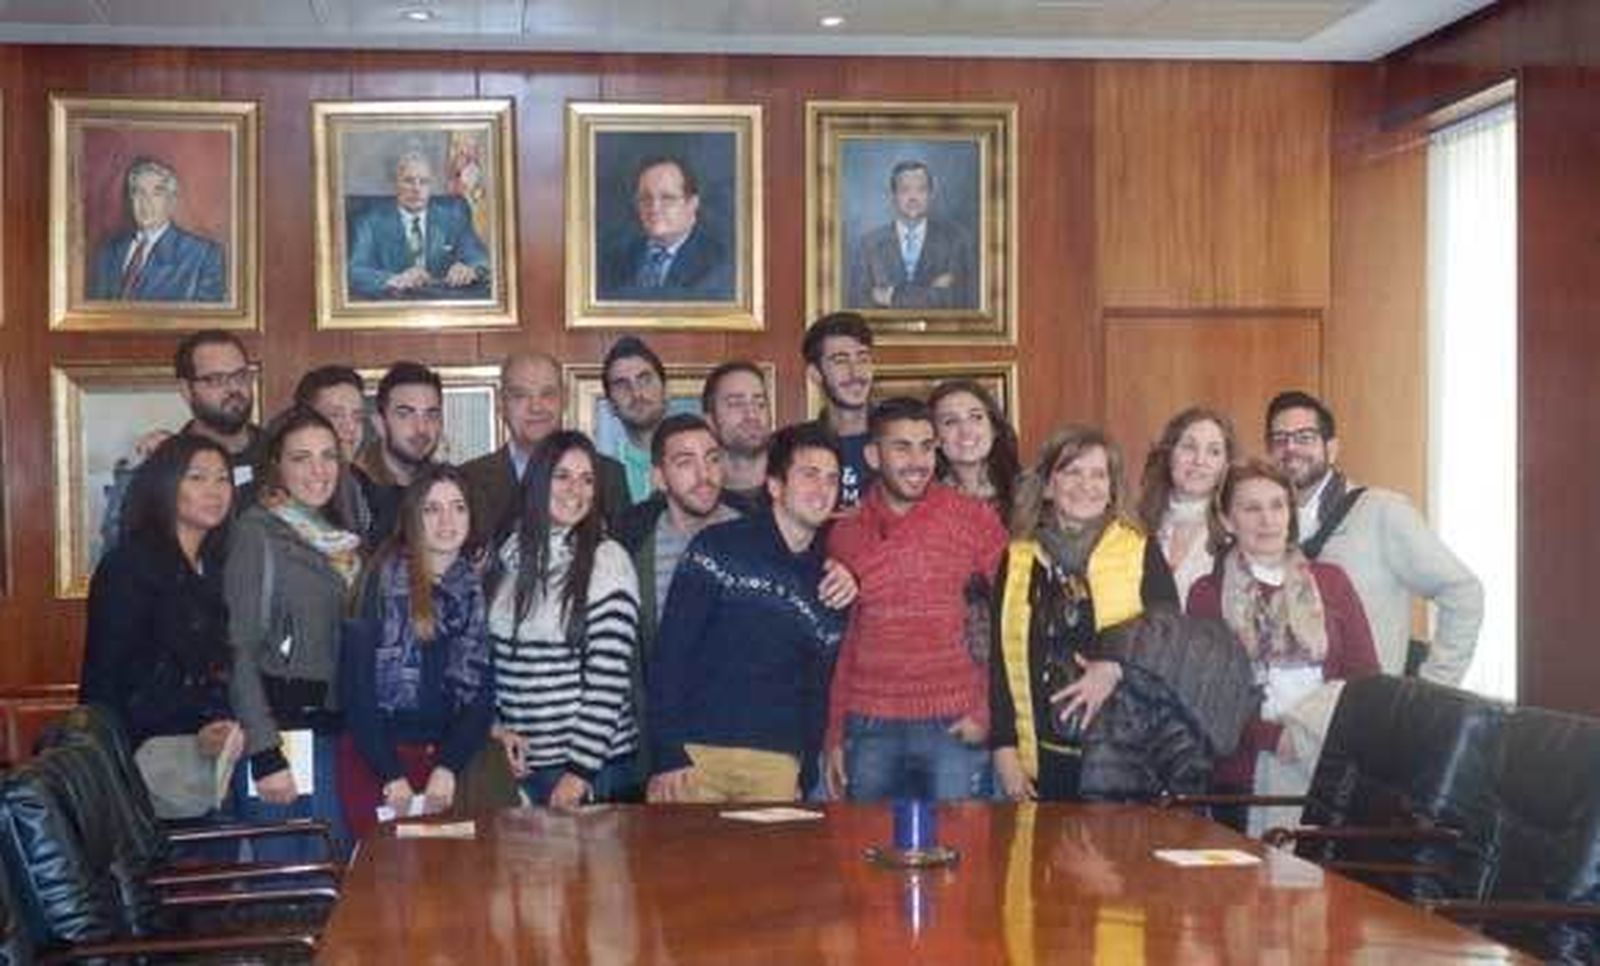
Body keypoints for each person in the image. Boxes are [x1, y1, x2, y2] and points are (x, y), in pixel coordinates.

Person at [646, 424, 849, 803]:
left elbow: (816, 689)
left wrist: (802, 773)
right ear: (775, 485)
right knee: (679, 864)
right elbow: (670, 656)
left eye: (832, 479)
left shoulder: (831, 583)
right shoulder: (718, 546)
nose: (822, 489)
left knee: (769, 865)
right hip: (695, 758)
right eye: (809, 475)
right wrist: (667, 752)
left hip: (775, 766)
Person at [824, 397, 1008, 802]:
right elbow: (846, 641)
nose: (918, 460)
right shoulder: (846, 531)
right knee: (865, 857)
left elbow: (1009, 620)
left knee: (961, 859)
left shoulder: (974, 519)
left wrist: (987, 710)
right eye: (902, 447)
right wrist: (835, 732)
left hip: (954, 722)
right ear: (873, 455)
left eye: (927, 446)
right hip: (869, 725)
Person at [989, 425, 1181, 802]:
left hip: (1123, 755)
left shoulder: (1140, 550)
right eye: (1072, 472)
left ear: (1112, 488)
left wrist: (1113, 668)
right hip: (1040, 757)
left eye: (1098, 474)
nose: (1085, 485)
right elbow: (1000, 661)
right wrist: (1004, 749)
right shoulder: (1017, 558)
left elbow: (1169, 637)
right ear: (1047, 485)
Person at [1187, 459, 1380, 834]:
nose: (1268, 520)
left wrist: (1315, 739)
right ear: (1227, 521)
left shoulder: (1332, 581)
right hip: (1246, 772)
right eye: (1251, 508)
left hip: (1329, 764)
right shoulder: (1206, 594)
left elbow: (1365, 680)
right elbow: (1206, 698)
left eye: (1278, 506)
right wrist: (1275, 738)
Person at [1265, 390, 1482, 684]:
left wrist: (1432, 689)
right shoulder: (1264, 527)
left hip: (1362, 714)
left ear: (1332, 448)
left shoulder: (1382, 511)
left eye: (1305, 437)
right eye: (1280, 439)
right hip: (1286, 716)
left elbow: (1463, 592)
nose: (1290, 448)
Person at [225, 407, 363, 859]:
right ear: (276, 466)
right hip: (282, 734)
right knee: (290, 887)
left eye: (328, 456)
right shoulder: (257, 533)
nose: (318, 470)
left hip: (334, 733)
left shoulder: (339, 538)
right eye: (301, 458)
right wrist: (265, 753)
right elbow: (238, 649)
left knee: (337, 879)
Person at [81, 435, 240, 816]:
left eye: (223, 479)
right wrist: (195, 727)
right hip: (147, 760)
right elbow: (107, 680)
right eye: (197, 478)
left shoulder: (217, 567)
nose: (214, 491)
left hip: (212, 753)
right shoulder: (130, 567)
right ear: (166, 485)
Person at [338, 465, 493, 841]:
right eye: (431, 509)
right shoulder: (380, 579)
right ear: (412, 517)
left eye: (458, 507)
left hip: (441, 766)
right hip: (376, 763)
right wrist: (392, 775)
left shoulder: (471, 587)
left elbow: (483, 694)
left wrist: (447, 767)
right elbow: (357, 694)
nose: (446, 520)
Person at [487, 431, 641, 807]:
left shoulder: (607, 560)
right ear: (538, 481)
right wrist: (497, 729)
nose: (577, 489)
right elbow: (495, 668)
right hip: (523, 771)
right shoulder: (508, 556)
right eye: (563, 476)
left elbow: (609, 682)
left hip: (592, 772)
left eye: (587, 479)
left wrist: (578, 775)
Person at [99, 329, 263, 555]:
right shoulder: (159, 462)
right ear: (187, 390)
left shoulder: (283, 456)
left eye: (240, 376)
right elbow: (122, 554)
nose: (233, 389)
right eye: (216, 380)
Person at [460, 351, 629, 551]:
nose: (536, 407)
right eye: (520, 396)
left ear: (564, 399)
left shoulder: (608, 475)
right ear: (501, 404)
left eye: (547, 394)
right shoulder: (468, 481)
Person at [346, 150, 491, 301]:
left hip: (442, 302)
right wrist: (396, 279)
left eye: (424, 182)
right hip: (395, 304)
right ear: (396, 184)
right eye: (409, 181)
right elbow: (354, 272)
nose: (416, 189)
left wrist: (469, 269)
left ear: (430, 186)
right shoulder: (369, 220)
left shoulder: (453, 216)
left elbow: (480, 259)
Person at [1136, 407, 1237, 607]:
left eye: (1214, 451)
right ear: (1169, 454)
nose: (1200, 461)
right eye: (1189, 447)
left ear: (1226, 465)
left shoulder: (1237, 532)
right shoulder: (1134, 525)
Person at [88, 157, 225, 303]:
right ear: (130, 199)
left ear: (172, 201)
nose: (145, 202)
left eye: (156, 193)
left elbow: (206, 321)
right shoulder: (107, 254)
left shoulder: (203, 256)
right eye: (138, 192)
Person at [598, 156, 733, 301]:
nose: (654, 208)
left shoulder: (718, 264)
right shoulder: (616, 260)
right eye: (645, 198)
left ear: (692, 204)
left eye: (667, 198)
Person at [847, 160, 976, 311]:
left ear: (931, 194)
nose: (913, 197)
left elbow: (960, 301)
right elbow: (858, 304)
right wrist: (932, 293)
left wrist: (892, 296)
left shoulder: (956, 241)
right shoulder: (869, 244)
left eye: (921, 189)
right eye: (905, 190)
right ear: (893, 195)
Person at [353, 361, 443, 548]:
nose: (421, 428)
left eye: (431, 415)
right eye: (405, 414)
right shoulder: (352, 491)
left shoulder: (450, 486)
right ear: (379, 424)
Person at [801, 312, 875, 511]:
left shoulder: (901, 439)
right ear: (815, 374)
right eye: (840, 361)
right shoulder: (798, 448)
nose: (856, 373)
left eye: (863, 358)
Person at [294, 365, 372, 538]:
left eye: (357, 417)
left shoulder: (365, 487)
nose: (351, 428)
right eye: (336, 415)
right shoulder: (289, 494)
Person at [929, 379, 1021, 521]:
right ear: (935, 438)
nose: (966, 430)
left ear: (994, 428)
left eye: (976, 417)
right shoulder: (922, 500)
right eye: (950, 421)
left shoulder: (1025, 492)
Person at [602, 336, 669, 504]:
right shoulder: (599, 474)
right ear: (611, 405)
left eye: (645, 380)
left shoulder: (701, 464)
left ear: (666, 392)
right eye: (622, 385)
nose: (636, 393)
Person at [701, 360, 771, 507]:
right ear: (710, 420)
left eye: (760, 404)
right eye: (736, 404)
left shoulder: (797, 492)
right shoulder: (695, 501)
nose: (752, 414)